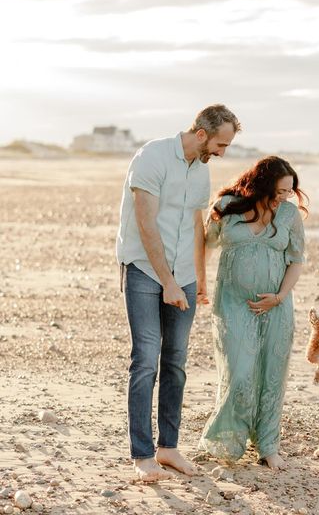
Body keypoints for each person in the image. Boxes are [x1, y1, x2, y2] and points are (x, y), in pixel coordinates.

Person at [116, 104, 241, 482]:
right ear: (202, 134)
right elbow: (146, 223)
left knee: (176, 362)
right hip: (142, 268)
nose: (223, 152)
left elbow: (195, 226)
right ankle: (142, 454)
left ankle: (167, 447)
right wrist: (167, 281)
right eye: (221, 143)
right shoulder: (152, 157)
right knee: (145, 360)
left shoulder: (201, 170)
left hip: (183, 274)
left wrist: (198, 277)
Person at [199, 156, 307, 470]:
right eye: (280, 191)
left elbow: (296, 259)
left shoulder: (288, 215)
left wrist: (280, 296)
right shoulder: (227, 206)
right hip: (233, 302)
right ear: (261, 185)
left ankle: (268, 445)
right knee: (241, 373)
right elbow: (204, 245)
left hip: (277, 306)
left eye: (289, 192)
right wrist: (199, 284)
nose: (285, 198)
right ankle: (227, 439)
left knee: (272, 376)